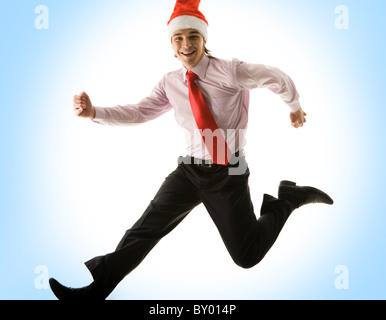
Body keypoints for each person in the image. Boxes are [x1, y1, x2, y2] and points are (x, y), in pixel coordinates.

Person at [49, 0, 333, 300]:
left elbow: (277, 77)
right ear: (171, 45)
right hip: (189, 171)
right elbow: (140, 111)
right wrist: (95, 112)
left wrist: (294, 107)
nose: (186, 45)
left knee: (247, 256)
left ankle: (287, 201)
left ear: (204, 39)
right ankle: (96, 290)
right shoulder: (170, 82)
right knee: (145, 230)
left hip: (229, 171)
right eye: (178, 38)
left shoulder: (230, 72)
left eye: (192, 37)